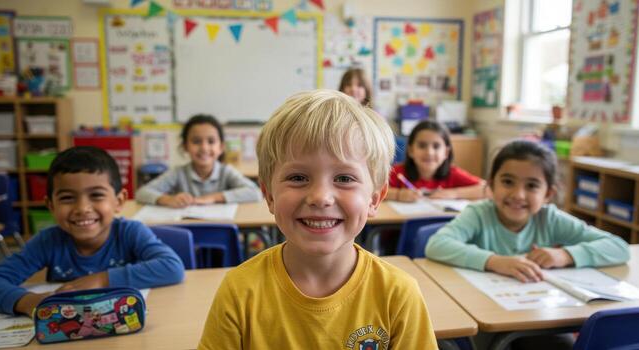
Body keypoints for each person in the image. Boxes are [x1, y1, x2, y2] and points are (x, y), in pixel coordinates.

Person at [198, 90, 437, 349]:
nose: (321, 197)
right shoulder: (239, 292)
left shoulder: (398, 295)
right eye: (298, 177)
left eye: (344, 178)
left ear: (374, 199)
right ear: (269, 196)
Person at [0, 146, 185, 316]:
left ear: (119, 201)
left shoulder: (130, 232)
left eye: (96, 195)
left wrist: (102, 280)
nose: (82, 208)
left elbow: (172, 267)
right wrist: (27, 301)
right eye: (67, 197)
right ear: (50, 205)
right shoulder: (48, 242)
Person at [426, 139, 630, 283]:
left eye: (532, 186)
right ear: (492, 184)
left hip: (536, 311)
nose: (518, 195)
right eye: (507, 182)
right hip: (485, 317)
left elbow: (619, 247)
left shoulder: (549, 218)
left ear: (548, 193)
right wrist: (494, 261)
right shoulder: (479, 214)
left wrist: (566, 255)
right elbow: (436, 245)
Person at [136, 114, 261, 208]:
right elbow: (141, 193)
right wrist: (168, 199)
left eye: (211, 142)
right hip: (187, 230)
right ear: (185, 146)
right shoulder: (178, 173)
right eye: (196, 141)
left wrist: (213, 198)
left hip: (219, 228)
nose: (204, 148)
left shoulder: (225, 172)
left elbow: (255, 193)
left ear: (221, 147)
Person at [387, 120, 486, 202]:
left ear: (446, 152)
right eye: (422, 146)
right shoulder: (398, 172)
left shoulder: (452, 173)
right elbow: (374, 191)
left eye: (436, 146)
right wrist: (397, 194)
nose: (429, 152)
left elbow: (488, 189)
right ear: (411, 150)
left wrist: (453, 193)